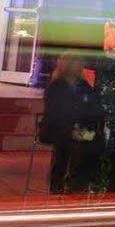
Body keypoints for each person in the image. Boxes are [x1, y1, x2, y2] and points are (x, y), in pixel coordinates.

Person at [41, 53, 100, 195]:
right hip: (57, 128)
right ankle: (58, 181)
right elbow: (54, 113)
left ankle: (78, 180)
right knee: (66, 142)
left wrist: (86, 128)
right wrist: (72, 128)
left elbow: (92, 107)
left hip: (78, 128)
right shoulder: (56, 86)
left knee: (94, 141)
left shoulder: (84, 86)